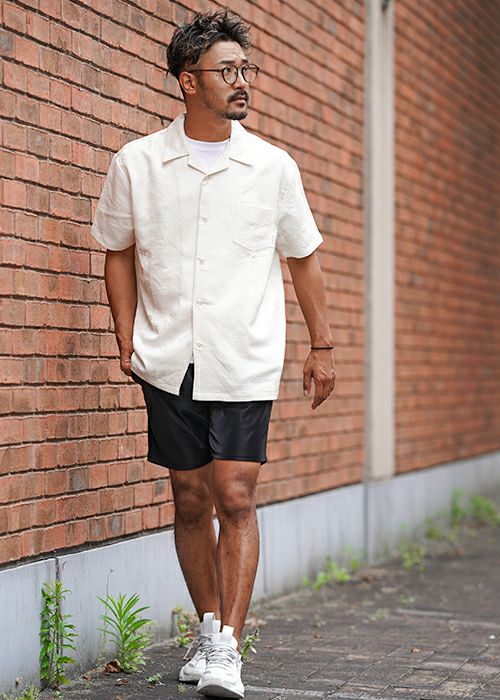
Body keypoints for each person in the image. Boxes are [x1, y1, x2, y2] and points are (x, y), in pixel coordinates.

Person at [90, 9, 335, 698]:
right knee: (190, 496)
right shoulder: (138, 163)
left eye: (244, 69)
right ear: (186, 81)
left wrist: (322, 346)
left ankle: (228, 645)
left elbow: (304, 259)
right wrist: (125, 335)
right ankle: (205, 627)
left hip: (243, 354)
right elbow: (117, 251)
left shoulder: (272, 167)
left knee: (235, 493)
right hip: (168, 354)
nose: (241, 81)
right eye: (226, 70)